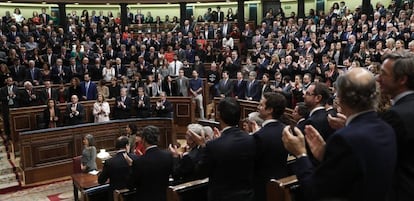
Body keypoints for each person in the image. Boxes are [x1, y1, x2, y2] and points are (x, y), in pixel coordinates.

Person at [282, 68, 397, 201]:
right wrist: (325, 155)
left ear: (341, 99)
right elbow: (357, 169)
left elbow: (314, 191)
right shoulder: (387, 128)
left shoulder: (344, 138)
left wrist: (301, 154)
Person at [197, 97, 256, 201]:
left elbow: (201, 173)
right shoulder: (252, 139)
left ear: (218, 115)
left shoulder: (213, 145)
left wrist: (203, 146)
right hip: (247, 196)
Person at [377, 53, 414, 200]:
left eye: (383, 74)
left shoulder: (395, 116)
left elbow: (379, 158)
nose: (378, 78)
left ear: (402, 80)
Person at [253, 92, 289, 201]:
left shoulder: (259, 136)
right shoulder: (286, 129)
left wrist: (254, 136)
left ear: (270, 110)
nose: (258, 107)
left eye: (261, 105)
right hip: (283, 180)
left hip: (263, 186)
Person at [130, 125, 173, 201]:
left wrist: (131, 166)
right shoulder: (168, 156)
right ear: (158, 139)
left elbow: (130, 185)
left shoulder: (139, 162)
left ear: (143, 140)